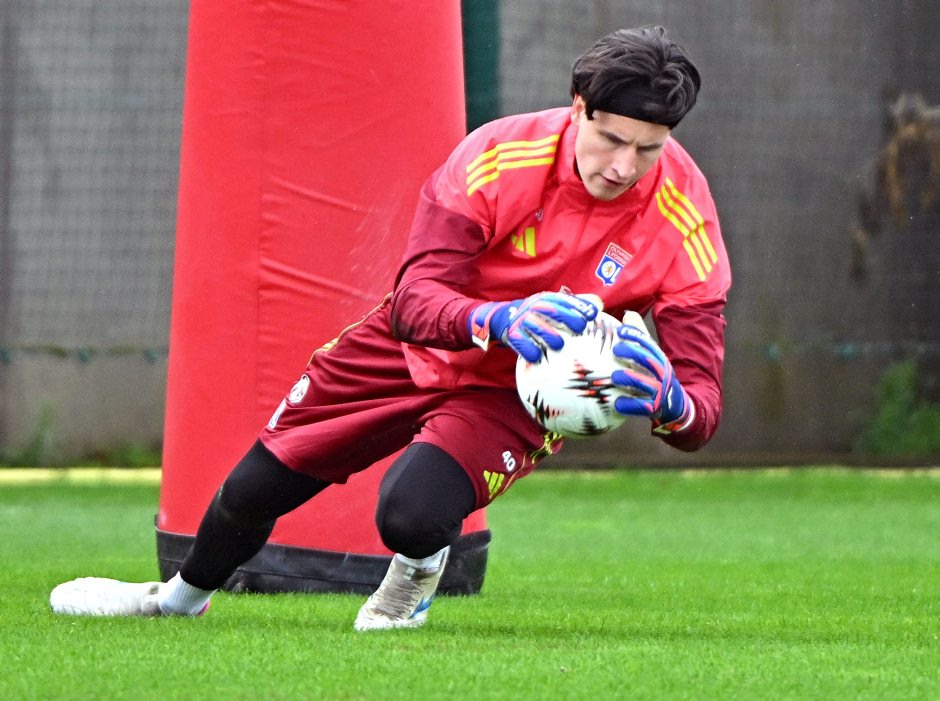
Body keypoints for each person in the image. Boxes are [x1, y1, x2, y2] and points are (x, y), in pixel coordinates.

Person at [50, 25, 731, 629]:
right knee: (253, 489)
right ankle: (175, 601)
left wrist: (671, 403)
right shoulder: (499, 157)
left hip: (511, 392)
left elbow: (701, 409)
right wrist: (499, 318)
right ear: (578, 107)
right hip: (416, 345)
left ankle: (411, 585)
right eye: (612, 139)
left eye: (648, 149)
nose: (623, 167)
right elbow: (414, 303)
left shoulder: (684, 220)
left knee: (410, 511)